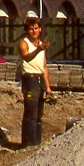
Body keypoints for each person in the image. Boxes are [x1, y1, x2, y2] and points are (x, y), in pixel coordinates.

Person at [18, 16, 52, 147]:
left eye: (36, 28)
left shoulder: (41, 46)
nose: (34, 31)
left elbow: (44, 66)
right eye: (31, 29)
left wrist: (48, 87)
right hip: (30, 79)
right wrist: (39, 49)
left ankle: (37, 142)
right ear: (27, 30)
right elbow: (27, 57)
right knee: (30, 113)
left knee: (38, 114)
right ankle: (28, 143)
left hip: (39, 80)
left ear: (40, 29)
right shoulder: (24, 43)